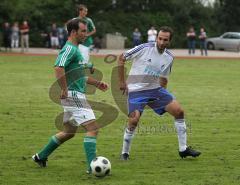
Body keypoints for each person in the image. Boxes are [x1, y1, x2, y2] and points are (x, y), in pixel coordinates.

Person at [32, 18, 109, 173]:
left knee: (68, 132)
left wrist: (96, 83)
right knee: (93, 128)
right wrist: (64, 88)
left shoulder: (76, 50)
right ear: (73, 32)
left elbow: (79, 76)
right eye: (83, 31)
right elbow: (58, 67)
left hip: (74, 94)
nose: (85, 34)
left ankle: (41, 156)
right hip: (73, 96)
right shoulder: (69, 49)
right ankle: (92, 168)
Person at [118, 26, 201, 160]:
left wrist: (162, 99)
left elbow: (163, 79)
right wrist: (122, 82)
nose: (162, 42)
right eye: (160, 39)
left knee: (179, 111)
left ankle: (183, 149)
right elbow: (121, 58)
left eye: (165, 40)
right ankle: (125, 153)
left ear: (170, 41)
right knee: (134, 120)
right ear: (157, 38)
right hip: (136, 90)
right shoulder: (144, 48)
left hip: (155, 90)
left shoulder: (169, 57)